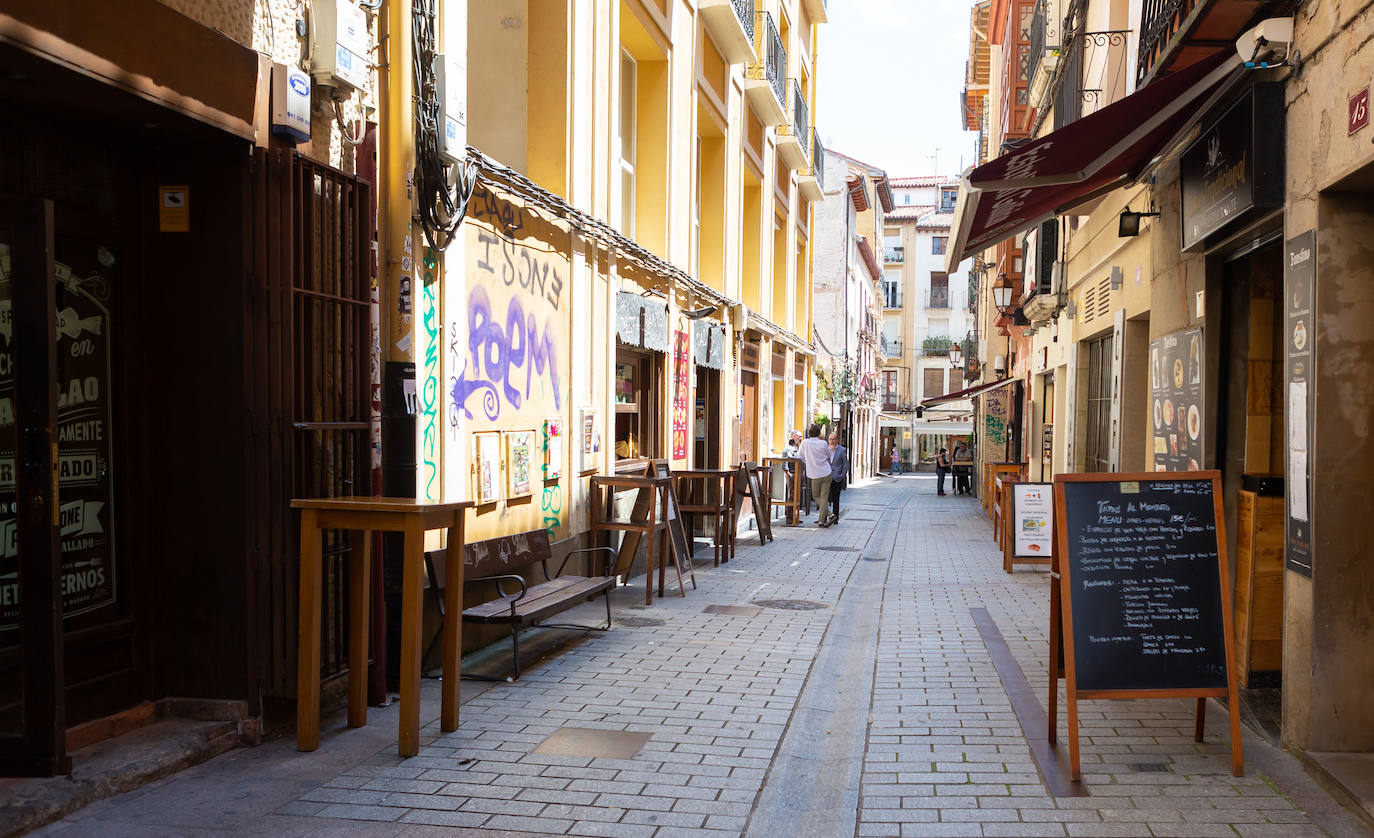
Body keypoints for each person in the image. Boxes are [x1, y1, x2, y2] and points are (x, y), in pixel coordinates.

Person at [799, 424, 834, 527]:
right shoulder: (823, 443)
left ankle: (826, 517)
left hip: (815, 474)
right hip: (826, 472)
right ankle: (824, 519)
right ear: (819, 433)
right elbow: (828, 455)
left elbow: (800, 456)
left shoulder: (805, 443)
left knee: (816, 496)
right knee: (824, 497)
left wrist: (807, 461)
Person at [827, 432, 849, 524]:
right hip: (826, 477)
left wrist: (842, 475)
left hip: (837, 477)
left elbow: (845, 464)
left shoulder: (842, 450)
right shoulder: (825, 449)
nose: (832, 441)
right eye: (830, 439)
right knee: (824, 498)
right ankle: (824, 517)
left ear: (837, 440)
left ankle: (835, 518)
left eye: (834, 439)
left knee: (836, 498)